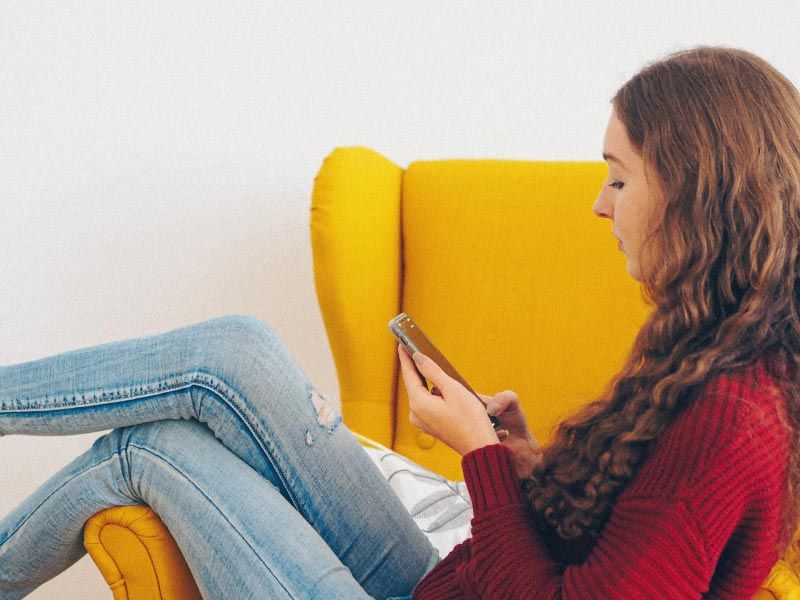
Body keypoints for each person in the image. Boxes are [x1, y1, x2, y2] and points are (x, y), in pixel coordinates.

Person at [2, 43, 799, 599]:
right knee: (235, 351)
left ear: (697, 199)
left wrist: (479, 457)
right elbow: (612, 547)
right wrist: (524, 461)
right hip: (447, 583)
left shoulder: (731, 418)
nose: (599, 205)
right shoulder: (714, 352)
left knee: (150, 450)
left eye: (620, 181)